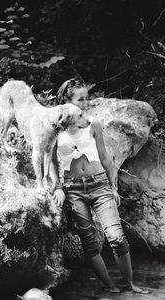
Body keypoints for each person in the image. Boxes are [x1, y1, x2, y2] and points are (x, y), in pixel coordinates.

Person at [50, 78, 149, 294]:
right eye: (80, 99)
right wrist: (57, 187)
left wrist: (113, 188)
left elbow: (105, 157)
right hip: (73, 189)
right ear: (67, 101)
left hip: (100, 185)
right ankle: (109, 286)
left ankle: (130, 284)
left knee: (116, 236)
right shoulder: (55, 130)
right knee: (89, 243)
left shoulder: (93, 123)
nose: (86, 102)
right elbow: (49, 161)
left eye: (87, 97)